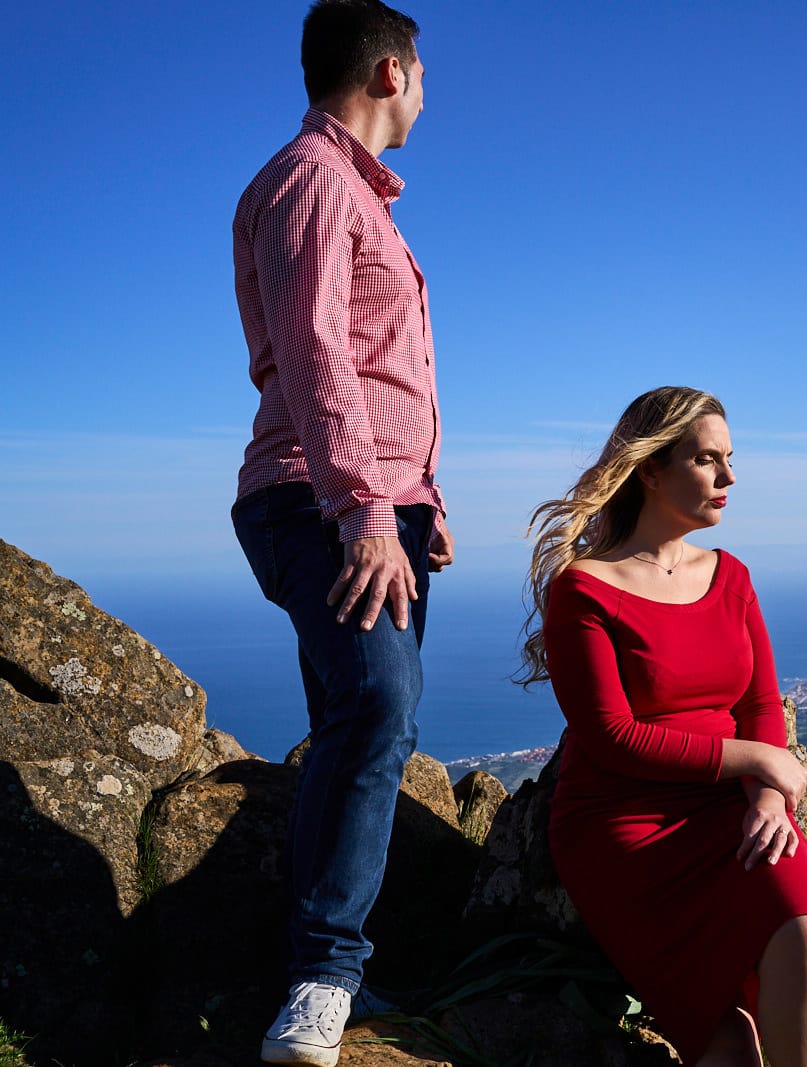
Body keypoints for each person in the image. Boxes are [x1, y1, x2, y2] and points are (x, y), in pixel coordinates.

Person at [229, 2, 450, 1064]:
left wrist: (423, 504)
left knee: (360, 717)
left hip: (378, 500)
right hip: (321, 497)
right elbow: (317, 356)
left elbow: (383, 374)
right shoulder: (313, 183)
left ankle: (322, 963)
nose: (428, 96)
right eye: (424, 76)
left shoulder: (360, 199)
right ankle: (324, 970)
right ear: (392, 70)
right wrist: (367, 508)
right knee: (376, 700)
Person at [520, 387, 807, 1067]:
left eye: (730, 459)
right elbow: (611, 735)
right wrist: (759, 760)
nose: (729, 478)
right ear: (651, 470)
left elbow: (760, 699)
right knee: (728, 1046)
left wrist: (765, 795)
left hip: (730, 809)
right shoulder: (585, 587)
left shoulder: (733, 578)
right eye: (707, 460)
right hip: (625, 824)